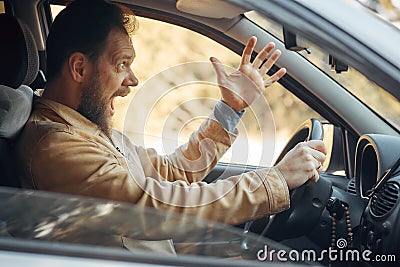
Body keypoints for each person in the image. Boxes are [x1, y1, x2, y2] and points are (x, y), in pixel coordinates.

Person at [16, 0, 326, 227]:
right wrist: (278, 180)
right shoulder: (56, 146)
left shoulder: (84, 129)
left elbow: (170, 172)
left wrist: (231, 108)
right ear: (79, 68)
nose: (133, 80)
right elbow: (159, 206)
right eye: (122, 64)